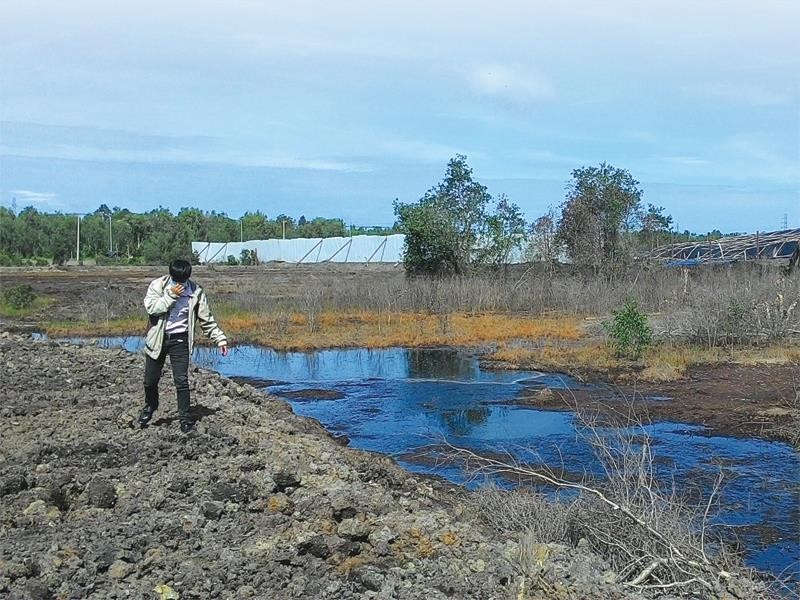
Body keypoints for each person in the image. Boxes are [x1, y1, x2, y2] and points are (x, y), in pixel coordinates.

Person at [139, 259, 228, 433]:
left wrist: (220, 339)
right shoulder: (158, 285)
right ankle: (150, 406)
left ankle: (185, 420)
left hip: (180, 341)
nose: (180, 284)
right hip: (158, 339)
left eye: (183, 281)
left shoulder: (196, 292)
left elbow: (206, 319)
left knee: (181, 381)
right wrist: (170, 295)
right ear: (171, 275)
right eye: (176, 280)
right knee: (150, 381)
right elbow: (152, 308)